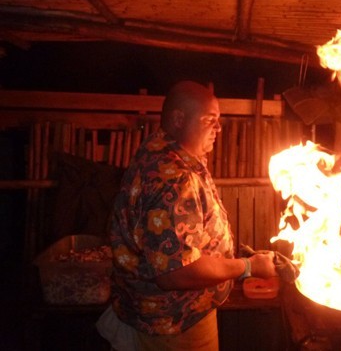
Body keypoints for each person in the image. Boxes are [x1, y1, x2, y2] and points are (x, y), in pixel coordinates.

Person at [97, 81, 277, 351]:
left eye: (218, 120)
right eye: (209, 120)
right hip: (175, 324)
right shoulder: (172, 178)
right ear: (179, 119)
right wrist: (247, 267)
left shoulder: (161, 150)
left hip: (160, 316)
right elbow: (176, 273)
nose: (218, 128)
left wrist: (230, 254)